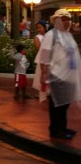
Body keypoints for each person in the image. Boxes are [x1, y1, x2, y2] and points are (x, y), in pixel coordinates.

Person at [32, 9, 81, 139]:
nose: (67, 22)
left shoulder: (67, 35)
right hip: (57, 75)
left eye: (68, 19)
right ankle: (56, 130)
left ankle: (62, 128)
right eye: (63, 19)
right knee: (57, 104)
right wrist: (43, 73)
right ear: (56, 21)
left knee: (65, 103)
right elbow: (44, 55)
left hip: (68, 76)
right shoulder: (51, 35)